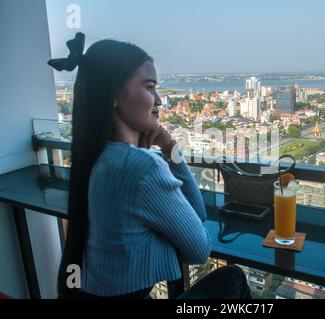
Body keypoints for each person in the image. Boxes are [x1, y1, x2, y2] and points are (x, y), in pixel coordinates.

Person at [49, 32, 251, 299]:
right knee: (233, 277)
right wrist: (170, 147)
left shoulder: (97, 155)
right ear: (113, 95)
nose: (158, 101)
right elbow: (200, 249)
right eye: (149, 86)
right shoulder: (141, 167)